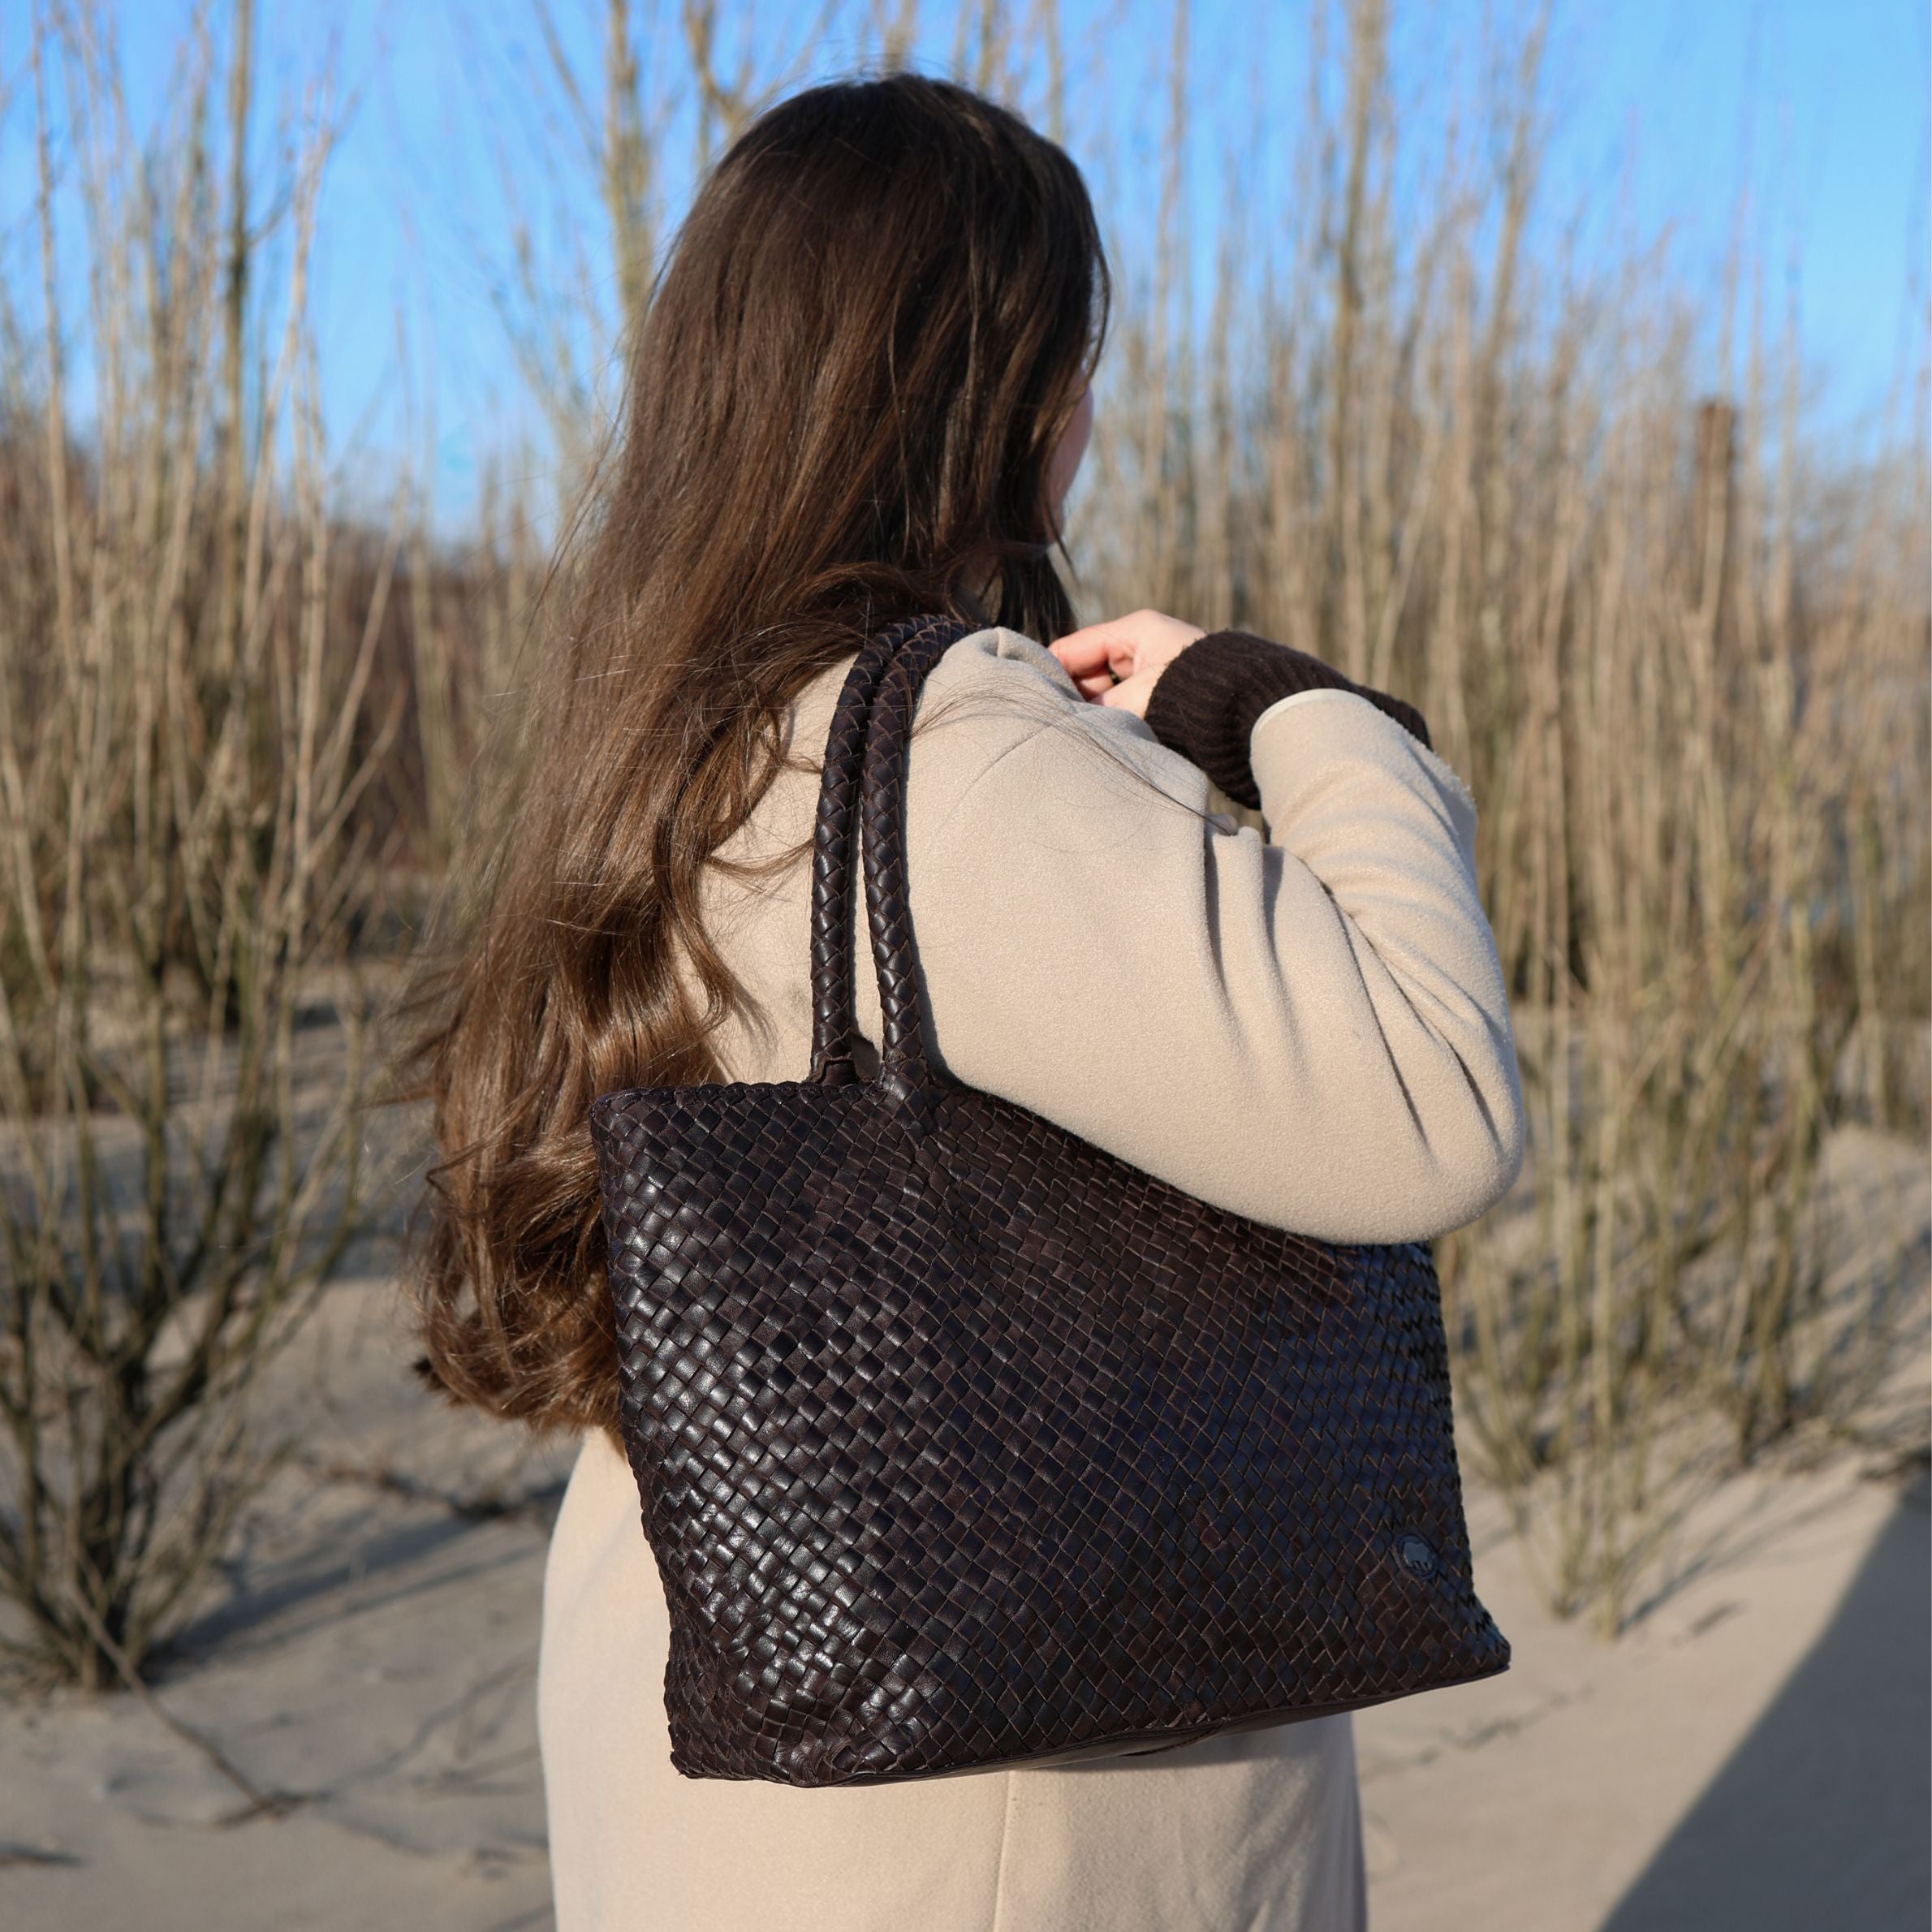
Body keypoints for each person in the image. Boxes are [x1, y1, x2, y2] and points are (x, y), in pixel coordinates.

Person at [402, 71, 1524, 1932]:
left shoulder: (673, 733)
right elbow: (1431, 1102)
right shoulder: (951, 750)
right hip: (1002, 1798)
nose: (1085, 409)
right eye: (1068, 359)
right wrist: (1292, 712)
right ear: (993, 396)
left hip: (726, 1726)